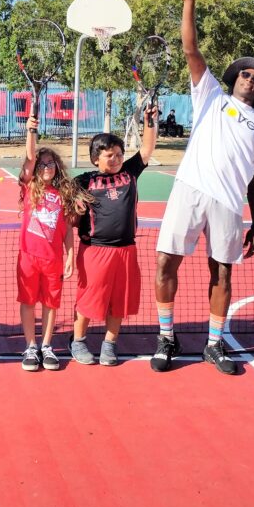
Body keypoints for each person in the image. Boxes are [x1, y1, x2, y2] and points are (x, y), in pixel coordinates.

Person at [152, 0, 254, 375]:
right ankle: (166, 337)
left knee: (221, 271)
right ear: (234, 78)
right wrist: (190, 0)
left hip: (228, 202)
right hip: (189, 189)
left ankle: (213, 343)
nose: (250, 79)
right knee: (164, 263)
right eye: (245, 73)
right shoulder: (210, 96)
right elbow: (191, 48)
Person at [70, 102, 158, 367]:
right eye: (110, 155)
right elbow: (72, 218)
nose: (117, 158)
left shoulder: (130, 173)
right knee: (89, 299)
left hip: (126, 250)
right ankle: (78, 341)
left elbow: (147, 148)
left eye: (119, 154)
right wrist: (75, 207)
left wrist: (150, 122)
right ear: (96, 158)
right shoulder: (83, 181)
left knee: (119, 302)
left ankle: (110, 344)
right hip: (95, 250)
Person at [16, 115, 88, 371]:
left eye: (51, 163)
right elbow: (30, 158)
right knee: (27, 302)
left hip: (52, 259)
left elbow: (68, 228)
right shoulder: (28, 187)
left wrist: (69, 256)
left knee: (50, 303)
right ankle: (30, 346)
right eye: (42, 163)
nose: (46, 167)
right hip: (28, 257)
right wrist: (31, 132)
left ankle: (46, 346)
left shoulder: (62, 194)